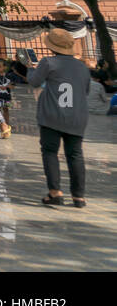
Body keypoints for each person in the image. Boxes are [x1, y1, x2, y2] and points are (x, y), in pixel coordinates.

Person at [28, 28, 90, 208]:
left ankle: (55, 192)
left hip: (52, 116)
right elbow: (85, 91)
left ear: (52, 47)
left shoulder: (48, 62)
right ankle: (79, 197)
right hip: (76, 117)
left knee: (50, 152)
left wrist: (30, 69)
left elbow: (34, 82)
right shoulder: (82, 67)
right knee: (75, 155)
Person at [0, 59, 14, 125]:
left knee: (6, 110)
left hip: (6, 97)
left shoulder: (9, 75)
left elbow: (13, 85)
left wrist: (8, 86)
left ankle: (6, 123)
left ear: (5, 67)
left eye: (0, 66)